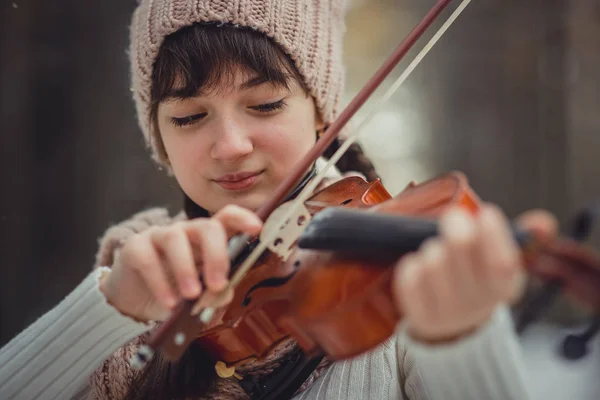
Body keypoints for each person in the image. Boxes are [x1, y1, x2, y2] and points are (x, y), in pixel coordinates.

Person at [0, 0, 580, 399]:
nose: (229, 145)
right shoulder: (137, 267)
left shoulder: (389, 285)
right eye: (190, 116)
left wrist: (459, 340)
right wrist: (109, 310)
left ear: (323, 113)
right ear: (160, 140)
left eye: (265, 105)